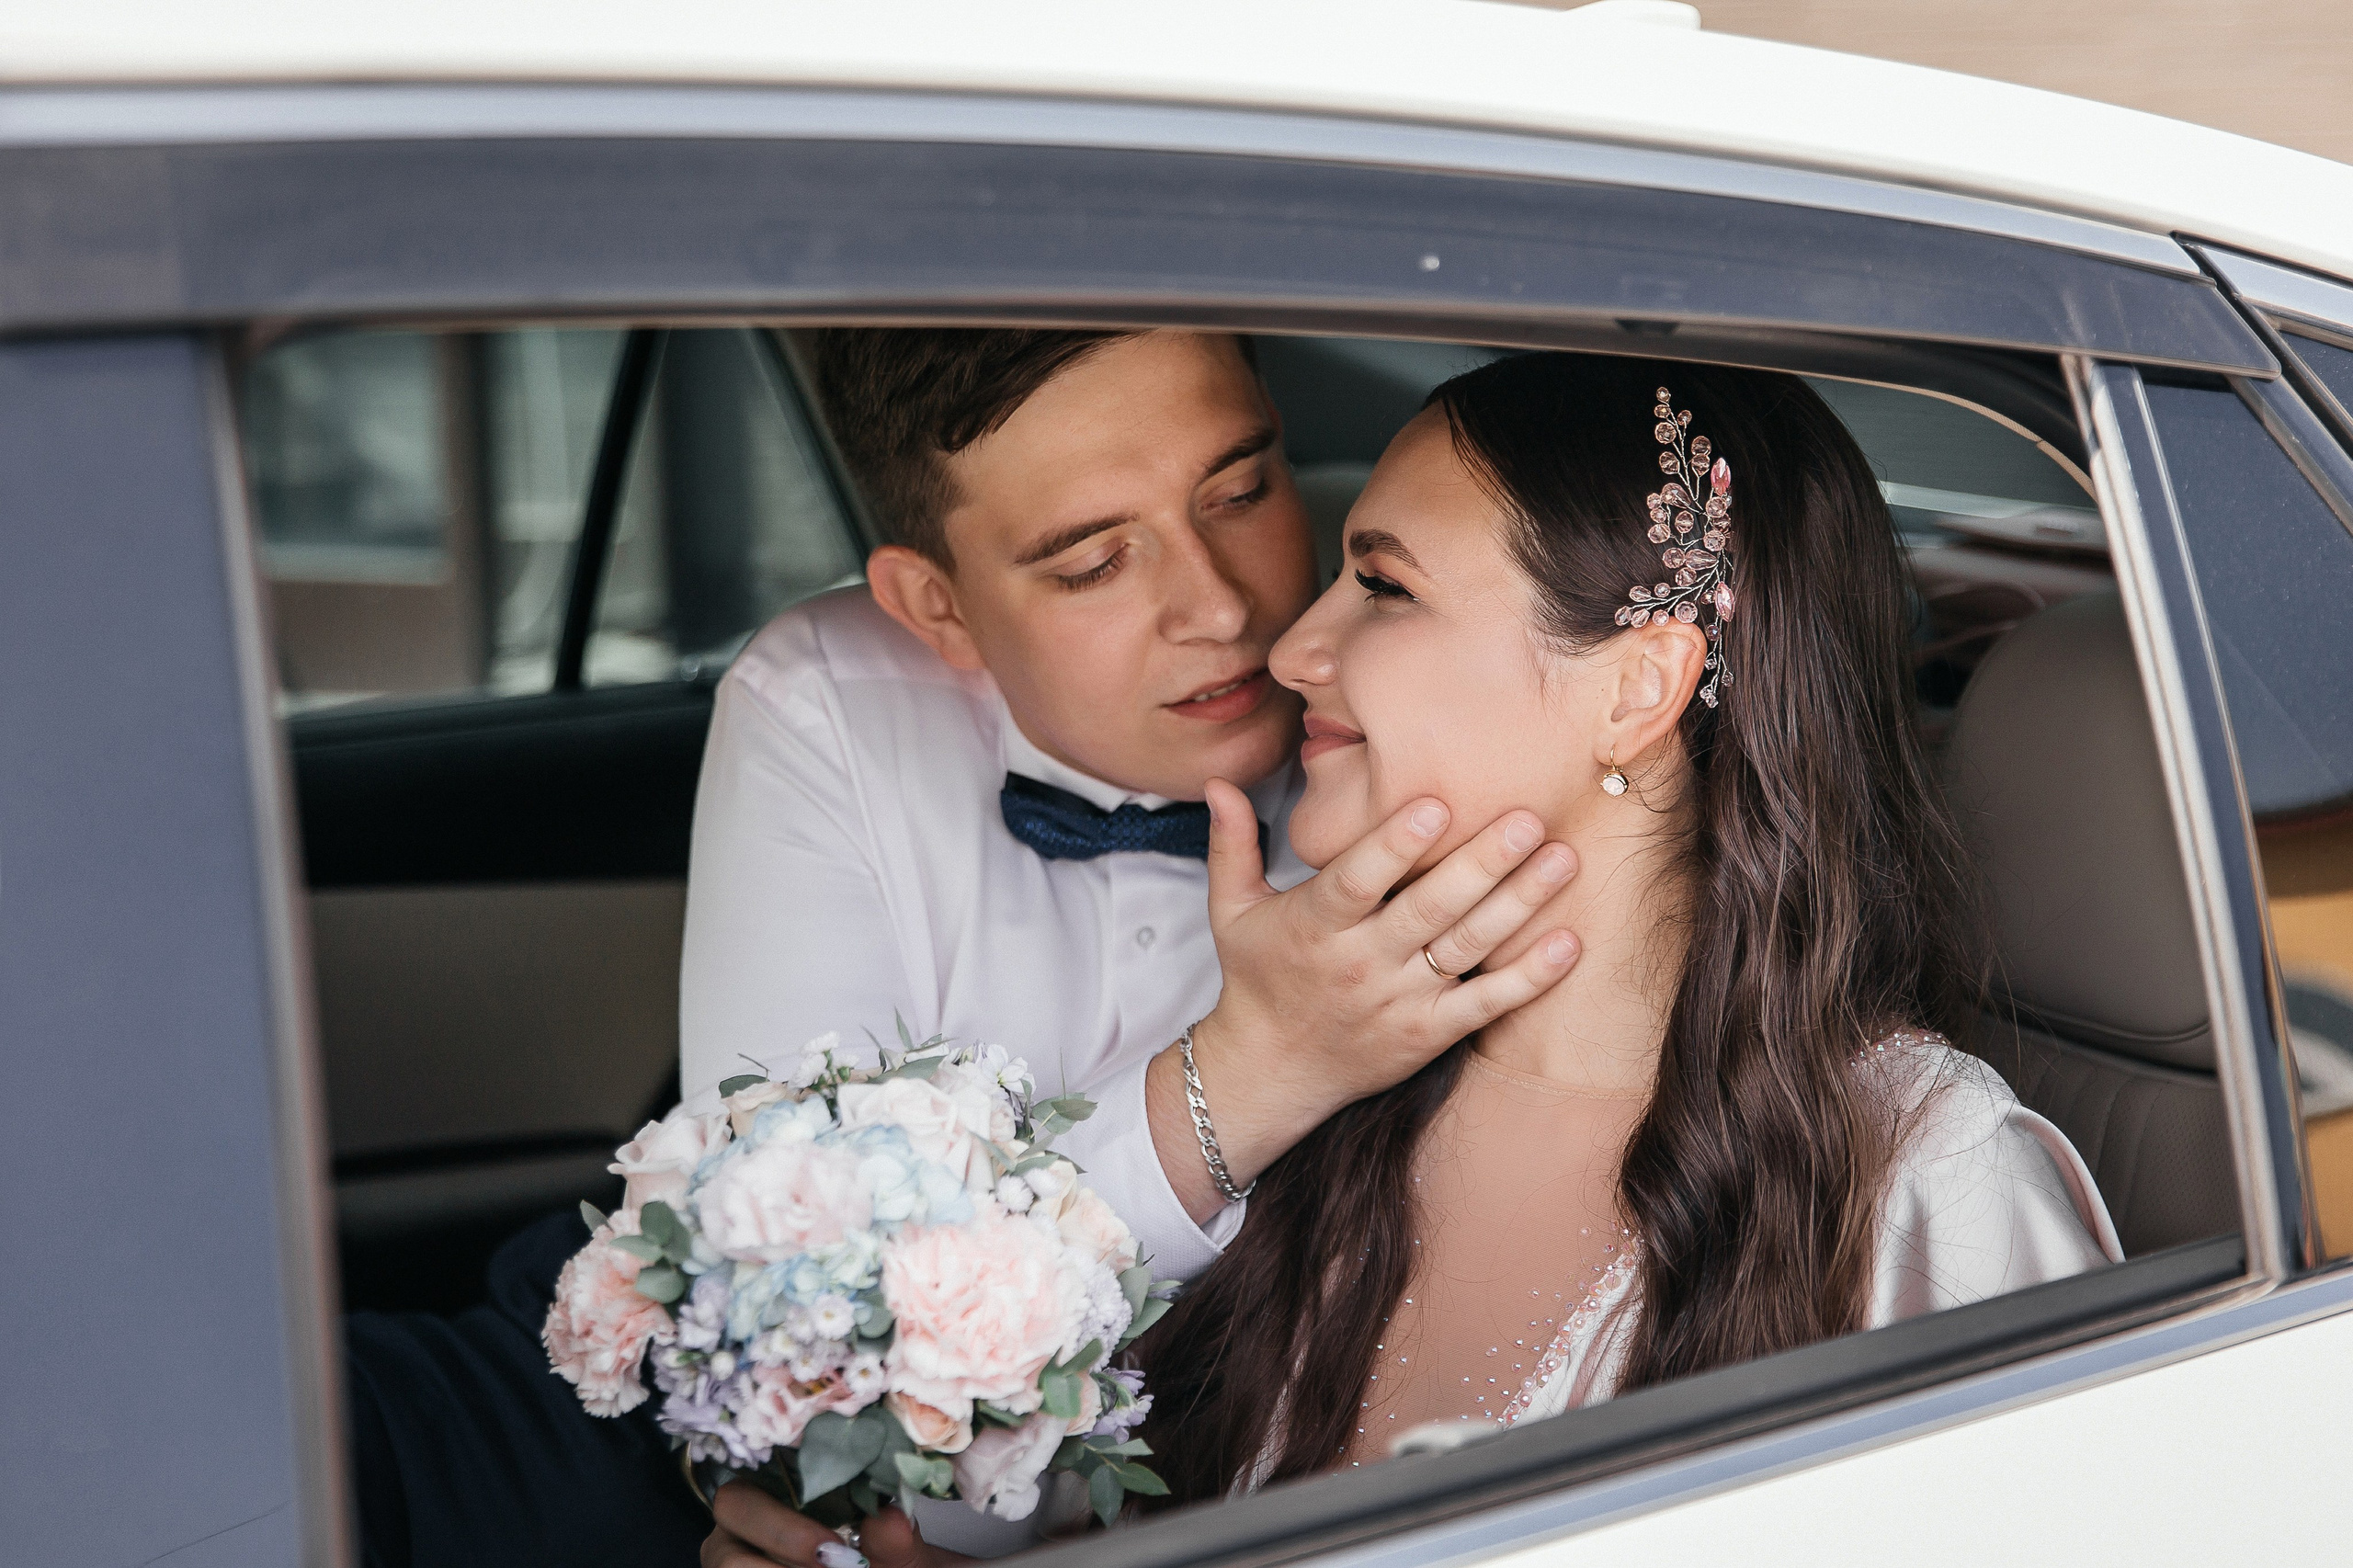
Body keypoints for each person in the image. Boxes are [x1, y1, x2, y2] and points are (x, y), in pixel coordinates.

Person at [703, 349, 2120, 1563]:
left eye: (1378, 586)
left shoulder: (1926, 1187)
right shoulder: (1350, 1106)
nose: (1289, 646)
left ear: (1637, 685)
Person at [348, 327, 1581, 1568]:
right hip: (657, 1421)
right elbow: (796, 1291)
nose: (1222, 605)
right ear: (937, 605)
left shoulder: (1442, 700)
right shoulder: (829, 699)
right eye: (1095, 561)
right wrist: (1246, 1077)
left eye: (1244, 488)